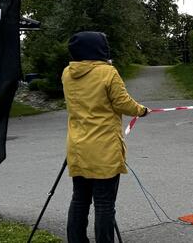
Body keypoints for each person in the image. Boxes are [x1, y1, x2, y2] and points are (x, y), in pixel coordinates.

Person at [63, 31, 149, 243]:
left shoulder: (67, 73)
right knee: (104, 203)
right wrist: (142, 110)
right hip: (103, 148)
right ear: (99, 49)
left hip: (77, 147)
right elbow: (123, 103)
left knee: (80, 199)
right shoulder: (108, 72)